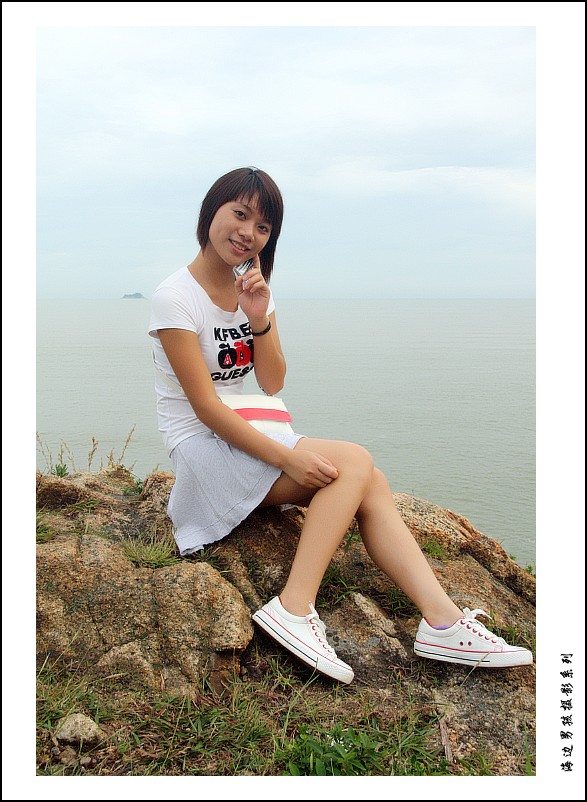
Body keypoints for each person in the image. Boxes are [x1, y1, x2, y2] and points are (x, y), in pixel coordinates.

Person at [148, 166, 533, 684]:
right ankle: (293, 607)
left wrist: (258, 317)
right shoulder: (175, 297)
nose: (248, 233)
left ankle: (442, 622)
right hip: (203, 449)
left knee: (368, 478)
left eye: (263, 226)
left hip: (245, 434)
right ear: (210, 211)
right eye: (239, 214)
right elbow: (205, 407)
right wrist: (289, 458)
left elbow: (272, 381)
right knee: (354, 463)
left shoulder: (254, 291)